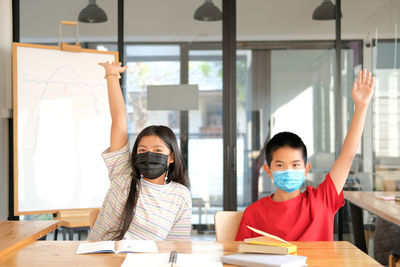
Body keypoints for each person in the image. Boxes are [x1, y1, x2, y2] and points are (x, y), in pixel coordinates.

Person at [236, 69, 375, 241]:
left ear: (306, 168)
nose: (288, 170)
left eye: (295, 165)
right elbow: (240, 257)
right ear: (268, 170)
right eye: (280, 165)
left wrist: (361, 107)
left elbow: (346, 158)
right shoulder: (254, 213)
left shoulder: (322, 200)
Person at [88, 62, 191, 241]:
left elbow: (177, 245)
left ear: (171, 157)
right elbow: (119, 118)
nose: (148, 154)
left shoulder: (180, 195)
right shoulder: (123, 174)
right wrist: (111, 76)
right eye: (142, 150)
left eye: (157, 150)